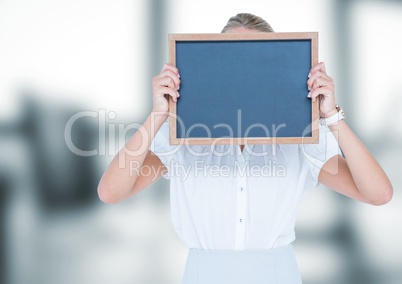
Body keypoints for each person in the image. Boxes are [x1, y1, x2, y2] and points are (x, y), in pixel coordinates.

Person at [97, 13, 393, 284]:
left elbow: (378, 193)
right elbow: (111, 192)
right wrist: (157, 115)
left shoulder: (301, 141)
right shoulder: (182, 137)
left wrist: (331, 116)